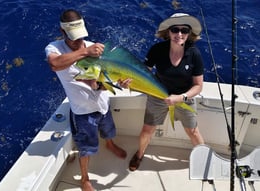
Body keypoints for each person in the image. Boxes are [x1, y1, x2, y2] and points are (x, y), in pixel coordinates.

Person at [45, 9, 131, 191]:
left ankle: (110, 144)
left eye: (80, 37)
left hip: (102, 105)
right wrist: (85, 53)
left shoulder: (94, 47)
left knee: (109, 130)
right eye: (73, 37)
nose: (78, 42)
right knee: (86, 147)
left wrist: (120, 83)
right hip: (82, 112)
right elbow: (54, 64)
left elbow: (104, 80)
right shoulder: (54, 48)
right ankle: (84, 178)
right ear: (62, 32)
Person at [129, 13, 205, 171]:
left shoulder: (194, 54)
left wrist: (180, 97)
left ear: (189, 34)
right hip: (158, 95)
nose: (179, 34)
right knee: (146, 130)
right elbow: (143, 74)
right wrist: (129, 82)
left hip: (184, 97)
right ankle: (139, 154)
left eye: (184, 30)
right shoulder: (157, 49)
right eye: (175, 30)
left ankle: (204, 159)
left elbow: (198, 86)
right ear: (168, 32)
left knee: (193, 131)